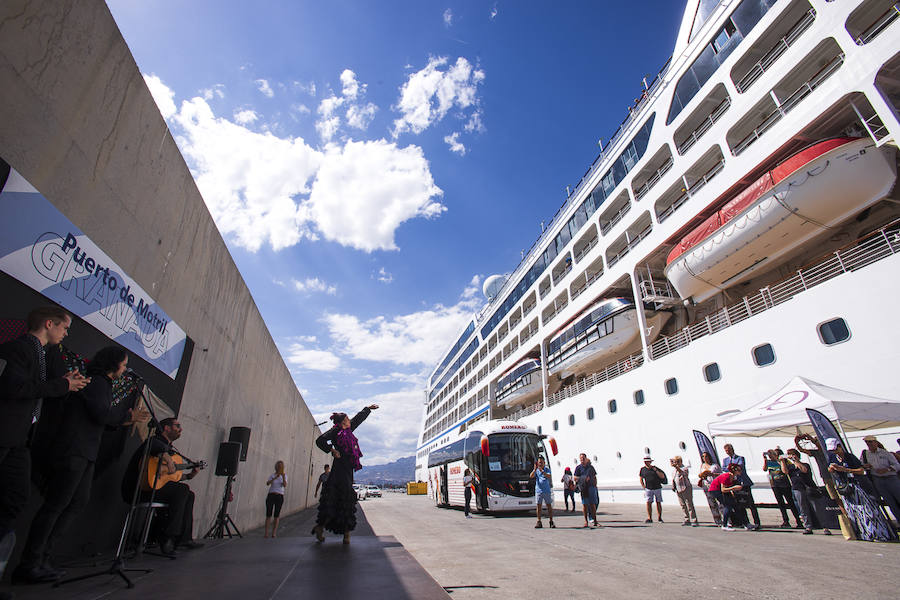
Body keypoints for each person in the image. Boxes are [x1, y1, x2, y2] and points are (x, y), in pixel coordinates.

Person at [14, 346, 142, 583]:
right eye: (123, 365)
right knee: (56, 505)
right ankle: (30, 562)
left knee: (76, 503)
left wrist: (124, 419)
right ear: (112, 363)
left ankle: (44, 557)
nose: (124, 370)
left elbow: (101, 417)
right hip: (74, 451)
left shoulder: (102, 384)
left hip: (86, 453)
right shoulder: (96, 383)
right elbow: (101, 414)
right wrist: (127, 418)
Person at [0, 307, 88, 585]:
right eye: (64, 327)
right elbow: (14, 388)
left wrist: (64, 385)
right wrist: (60, 386)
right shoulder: (17, 350)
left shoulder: (41, 356)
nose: (65, 333)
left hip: (20, 440)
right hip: (5, 435)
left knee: (15, 500)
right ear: (49, 324)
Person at [121, 417, 203, 556]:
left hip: (154, 487)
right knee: (182, 490)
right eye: (177, 426)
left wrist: (189, 476)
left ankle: (183, 538)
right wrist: (167, 458)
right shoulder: (154, 441)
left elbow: (169, 477)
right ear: (166, 428)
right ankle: (167, 537)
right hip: (139, 489)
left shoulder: (170, 450)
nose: (180, 429)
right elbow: (154, 446)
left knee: (189, 495)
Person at [311, 404, 378, 544]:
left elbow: (357, 419)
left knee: (345, 500)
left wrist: (367, 409)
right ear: (342, 422)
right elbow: (320, 440)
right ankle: (326, 529)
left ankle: (343, 533)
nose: (349, 420)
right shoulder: (335, 431)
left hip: (348, 468)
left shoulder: (349, 429)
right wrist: (332, 450)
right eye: (347, 419)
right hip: (339, 468)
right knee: (339, 497)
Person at [860, 435, 900, 524]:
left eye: (871, 442)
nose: (869, 444)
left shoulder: (885, 453)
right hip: (878, 479)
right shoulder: (865, 454)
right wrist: (866, 466)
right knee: (890, 502)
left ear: (875, 442)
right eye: (867, 443)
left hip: (891, 478)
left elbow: (897, 465)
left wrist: (887, 469)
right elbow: (861, 465)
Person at [722, 444, 760, 530]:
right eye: (726, 451)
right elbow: (724, 468)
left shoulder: (740, 458)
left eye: (729, 450)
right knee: (740, 504)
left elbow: (740, 467)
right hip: (735, 484)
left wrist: (732, 467)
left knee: (750, 503)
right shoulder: (725, 460)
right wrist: (732, 468)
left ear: (732, 449)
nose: (728, 452)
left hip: (744, 483)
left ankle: (757, 522)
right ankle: (746, 522)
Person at [780, 448, 815, 534]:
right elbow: (785, 471)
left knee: (814, 506)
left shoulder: (805, 465)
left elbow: (804, 470)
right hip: (797, 488)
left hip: (807, 487)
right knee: (803, 507)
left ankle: (822, 524)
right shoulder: (791, 467)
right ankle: (808, 526)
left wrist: (796, 461)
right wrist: (782, 461)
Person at [764, 449, 801, 529]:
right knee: (781, 504)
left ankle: (798, 520)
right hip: (775, 485)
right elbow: (765, 469)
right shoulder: (770, 462)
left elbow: (788, 470)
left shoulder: (784, 461)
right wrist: (765, 459)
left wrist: (781, 460)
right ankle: (785, 520)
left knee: (791, 503)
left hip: (784, 484)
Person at [708, 464, 747, 531]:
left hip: (722, 490)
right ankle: (724, 525)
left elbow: (727, 486)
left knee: (735, 505)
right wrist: (734, 488)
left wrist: (731, 492)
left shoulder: (733, 477)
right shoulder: (726, 476)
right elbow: (723, 489)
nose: (740, 471)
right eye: (739, 470)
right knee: (728, 506)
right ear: (734, 471)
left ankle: (744, 523)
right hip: (715, 490)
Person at [671, 455, 698, 526]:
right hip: (678, 489)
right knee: (683, 505)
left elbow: (683, 473)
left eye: (677, 462)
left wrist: (676, 467)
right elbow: (674, 478)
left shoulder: (684, 468)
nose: (676, 463)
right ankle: (686, 519)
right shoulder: (674, 471)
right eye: (675, 462)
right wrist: (673, 486)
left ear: (680, 461)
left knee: (689, 504)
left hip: (686, 488)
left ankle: (694, 519)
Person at [697, 451, 722, 525]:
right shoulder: (702, 466)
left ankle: (727, 519)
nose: (704, 458)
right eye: (703, 457)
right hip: (706, 486)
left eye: (706, 456)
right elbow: (700, 474)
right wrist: (702, 476)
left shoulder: (715, 465)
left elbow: (721, 474)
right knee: (712, 503)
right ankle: (717, 520)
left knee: (720, 503)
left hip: (715, 485)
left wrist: (712, 474)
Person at [639, 454, 666, 523]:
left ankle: (660, 517)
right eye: (645, 461)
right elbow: (641, 478)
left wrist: (656, 471)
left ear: (650, 462)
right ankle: (649, 517)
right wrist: (644, 487)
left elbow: (662, 476)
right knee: (648, 503)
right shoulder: (643, 469)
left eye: (648, 461)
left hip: (657, 487)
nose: (646, 462)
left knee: (658, 502)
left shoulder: (655, 468)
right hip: (648, 488)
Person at [573, 453, 598, 528]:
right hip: (584, 488)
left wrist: (595, 485)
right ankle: (585, 521)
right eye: (581, 458)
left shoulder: (590, 468)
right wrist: (583, 478)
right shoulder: (578, 468)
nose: (582, 460)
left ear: (586, 459)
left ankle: (595, 520)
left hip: (591, 487)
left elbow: (594, 477)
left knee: (592, 504)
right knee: (584, 505)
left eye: (583, 458)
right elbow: (575, 478)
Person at [530, 457, 554, 528]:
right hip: (539, 491)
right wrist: (534, 470)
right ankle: (539, 521)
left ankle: (551, 521)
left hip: (546, 491)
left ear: (544, 463)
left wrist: (542, 471)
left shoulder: (547, 469)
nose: (540, 464)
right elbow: (531, 476)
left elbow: (549, 476)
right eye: (539, 462)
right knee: (538, 506)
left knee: (549, 506)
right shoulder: (536, 470)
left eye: (541, 462)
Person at [264, 460, 286, 538]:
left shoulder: (284, 475)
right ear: (276, 467)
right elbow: (268, 483)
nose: (279, 467)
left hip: (279, 496)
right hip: (271, 495)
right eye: (278, 466)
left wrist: (282, 477)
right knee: (268, 514)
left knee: (276, 515)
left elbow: (284, 485)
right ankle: (266, 533)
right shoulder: (273, 475)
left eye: (281, 466)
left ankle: (274, 533)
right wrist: (275, 478)